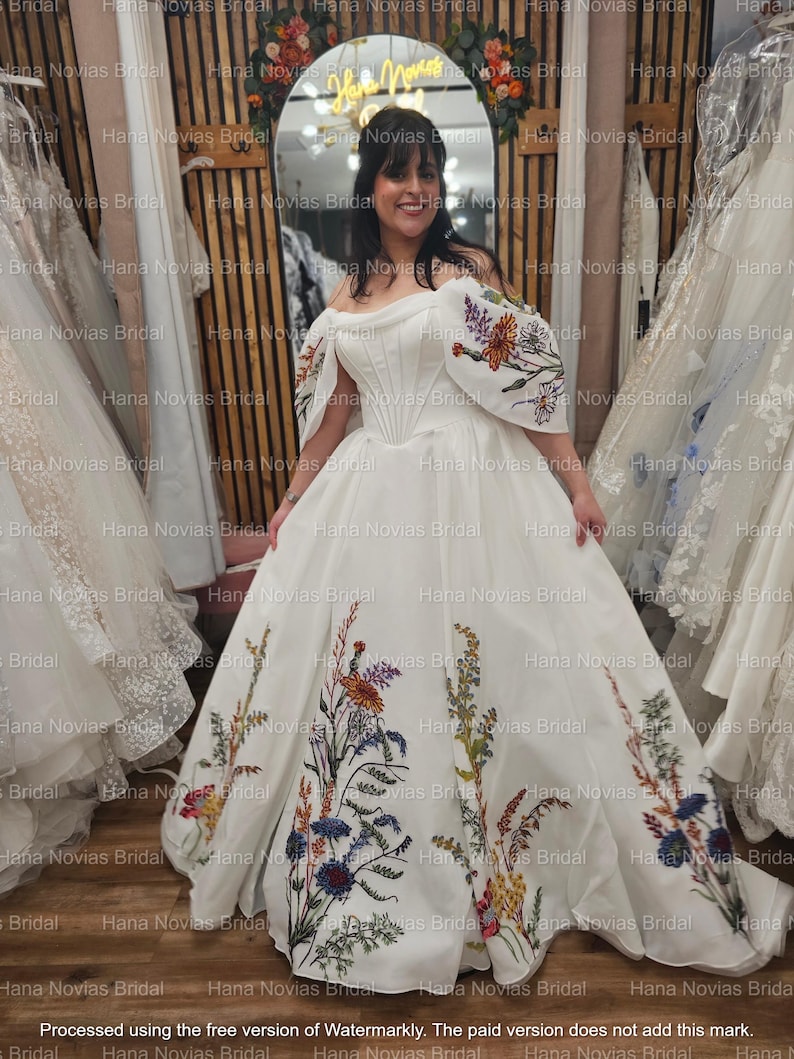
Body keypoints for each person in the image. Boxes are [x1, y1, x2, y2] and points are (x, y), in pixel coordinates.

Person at [162, 106, 792, 993]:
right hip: (370, 497)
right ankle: (386, 874)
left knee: (515, 668)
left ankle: (522, 855)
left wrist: (575, 481)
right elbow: (334, 418)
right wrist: (292, 501)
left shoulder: (469, 271)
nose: (413, 187)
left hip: (477, 490)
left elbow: (524, 395)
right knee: (372, 677)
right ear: (371, 186)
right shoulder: (349, 293)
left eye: (427, 170)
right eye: (396, 172)